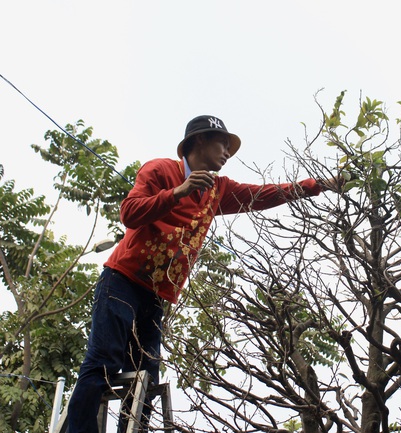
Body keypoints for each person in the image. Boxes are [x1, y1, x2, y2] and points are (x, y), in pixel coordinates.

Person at [66, 115, 340, 432]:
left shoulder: (217, 189)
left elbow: (263, 194)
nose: (227, 152)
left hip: (156, 294)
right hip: (122, 280)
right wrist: (177, 192)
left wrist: (316, 186)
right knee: (104, 361)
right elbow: (129, 213)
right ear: (199, 140)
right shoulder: (160, 170)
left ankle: (135, 429)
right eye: (222, 143)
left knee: (147, 373)